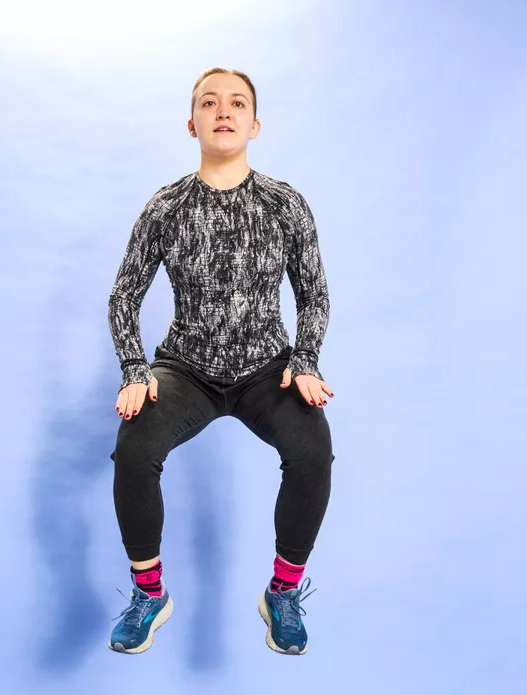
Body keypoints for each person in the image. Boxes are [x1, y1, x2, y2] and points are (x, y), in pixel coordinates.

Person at [106, 67, 334, 657]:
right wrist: (136, 370)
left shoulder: (285, 203)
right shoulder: (166, 206)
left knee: (312, 448)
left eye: (237, 103)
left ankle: (282, 594)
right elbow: (124, 296)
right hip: (185, 371)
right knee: (133, 448)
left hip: (268, 370)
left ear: (255, 125)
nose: (223, 111)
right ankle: (148, 594)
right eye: (209, 103)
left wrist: (304, 359)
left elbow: (314, 294)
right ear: (193, 124)